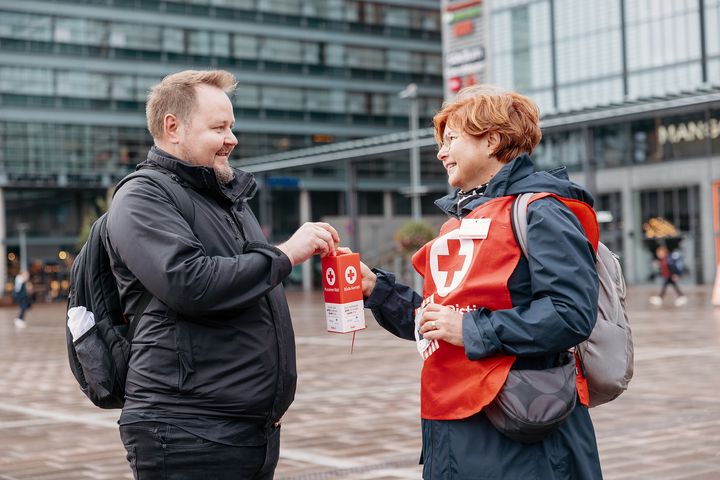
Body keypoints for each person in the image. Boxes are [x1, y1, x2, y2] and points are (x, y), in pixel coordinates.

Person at [356, 85, 603, 478]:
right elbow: (441, 323)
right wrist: (378, 291)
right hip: (453, 428)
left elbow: (570, 314)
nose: (440, 152)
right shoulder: (462, 222)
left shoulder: (541, 213)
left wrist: (470, 327)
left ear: (491, 140)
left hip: (520, 435)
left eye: (451, 139)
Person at [105, 70, 339, 480]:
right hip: (187, 431)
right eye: (219, 127)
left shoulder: (224, 199)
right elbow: (189, 282)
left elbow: (241, 281)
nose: (233, 138)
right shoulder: (142, 195)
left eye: (231, 126)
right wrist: (284, 254)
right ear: (173, 127)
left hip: (243, 430)